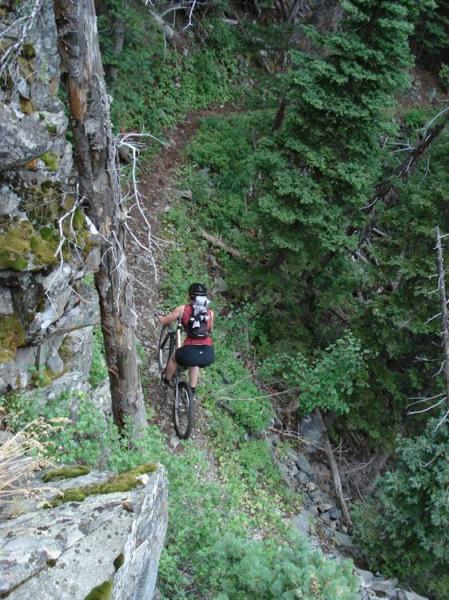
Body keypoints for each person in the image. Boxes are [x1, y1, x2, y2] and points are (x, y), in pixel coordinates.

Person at [158, 283, 215, 395]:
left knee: (174, 359)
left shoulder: (183, 309)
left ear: (190, 296)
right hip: (208, 354)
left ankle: (165, 381)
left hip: (190, 351)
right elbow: (209, 330)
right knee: (195, 363)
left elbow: (166, 321)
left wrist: (160, 318)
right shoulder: (210, 313)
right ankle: (192, 390)